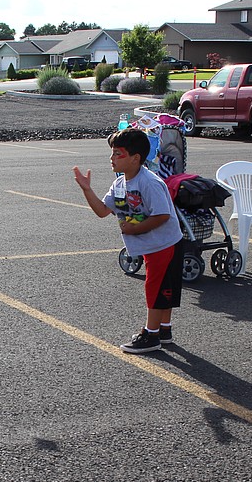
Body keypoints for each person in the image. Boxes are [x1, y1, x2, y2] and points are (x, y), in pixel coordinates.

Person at [73, 128, 183, 353]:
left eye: (117, 154)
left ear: (136, 159)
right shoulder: (120, 183)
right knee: (162, 289)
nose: (111, 159)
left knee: (157, 289)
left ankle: (151, 335)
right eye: (112, 153)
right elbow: (103, 211)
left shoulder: (149, 182)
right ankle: (164, 330)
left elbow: (162, 215)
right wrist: (87, 189)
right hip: (151, 246)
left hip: (165, 244)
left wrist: (135, 230)